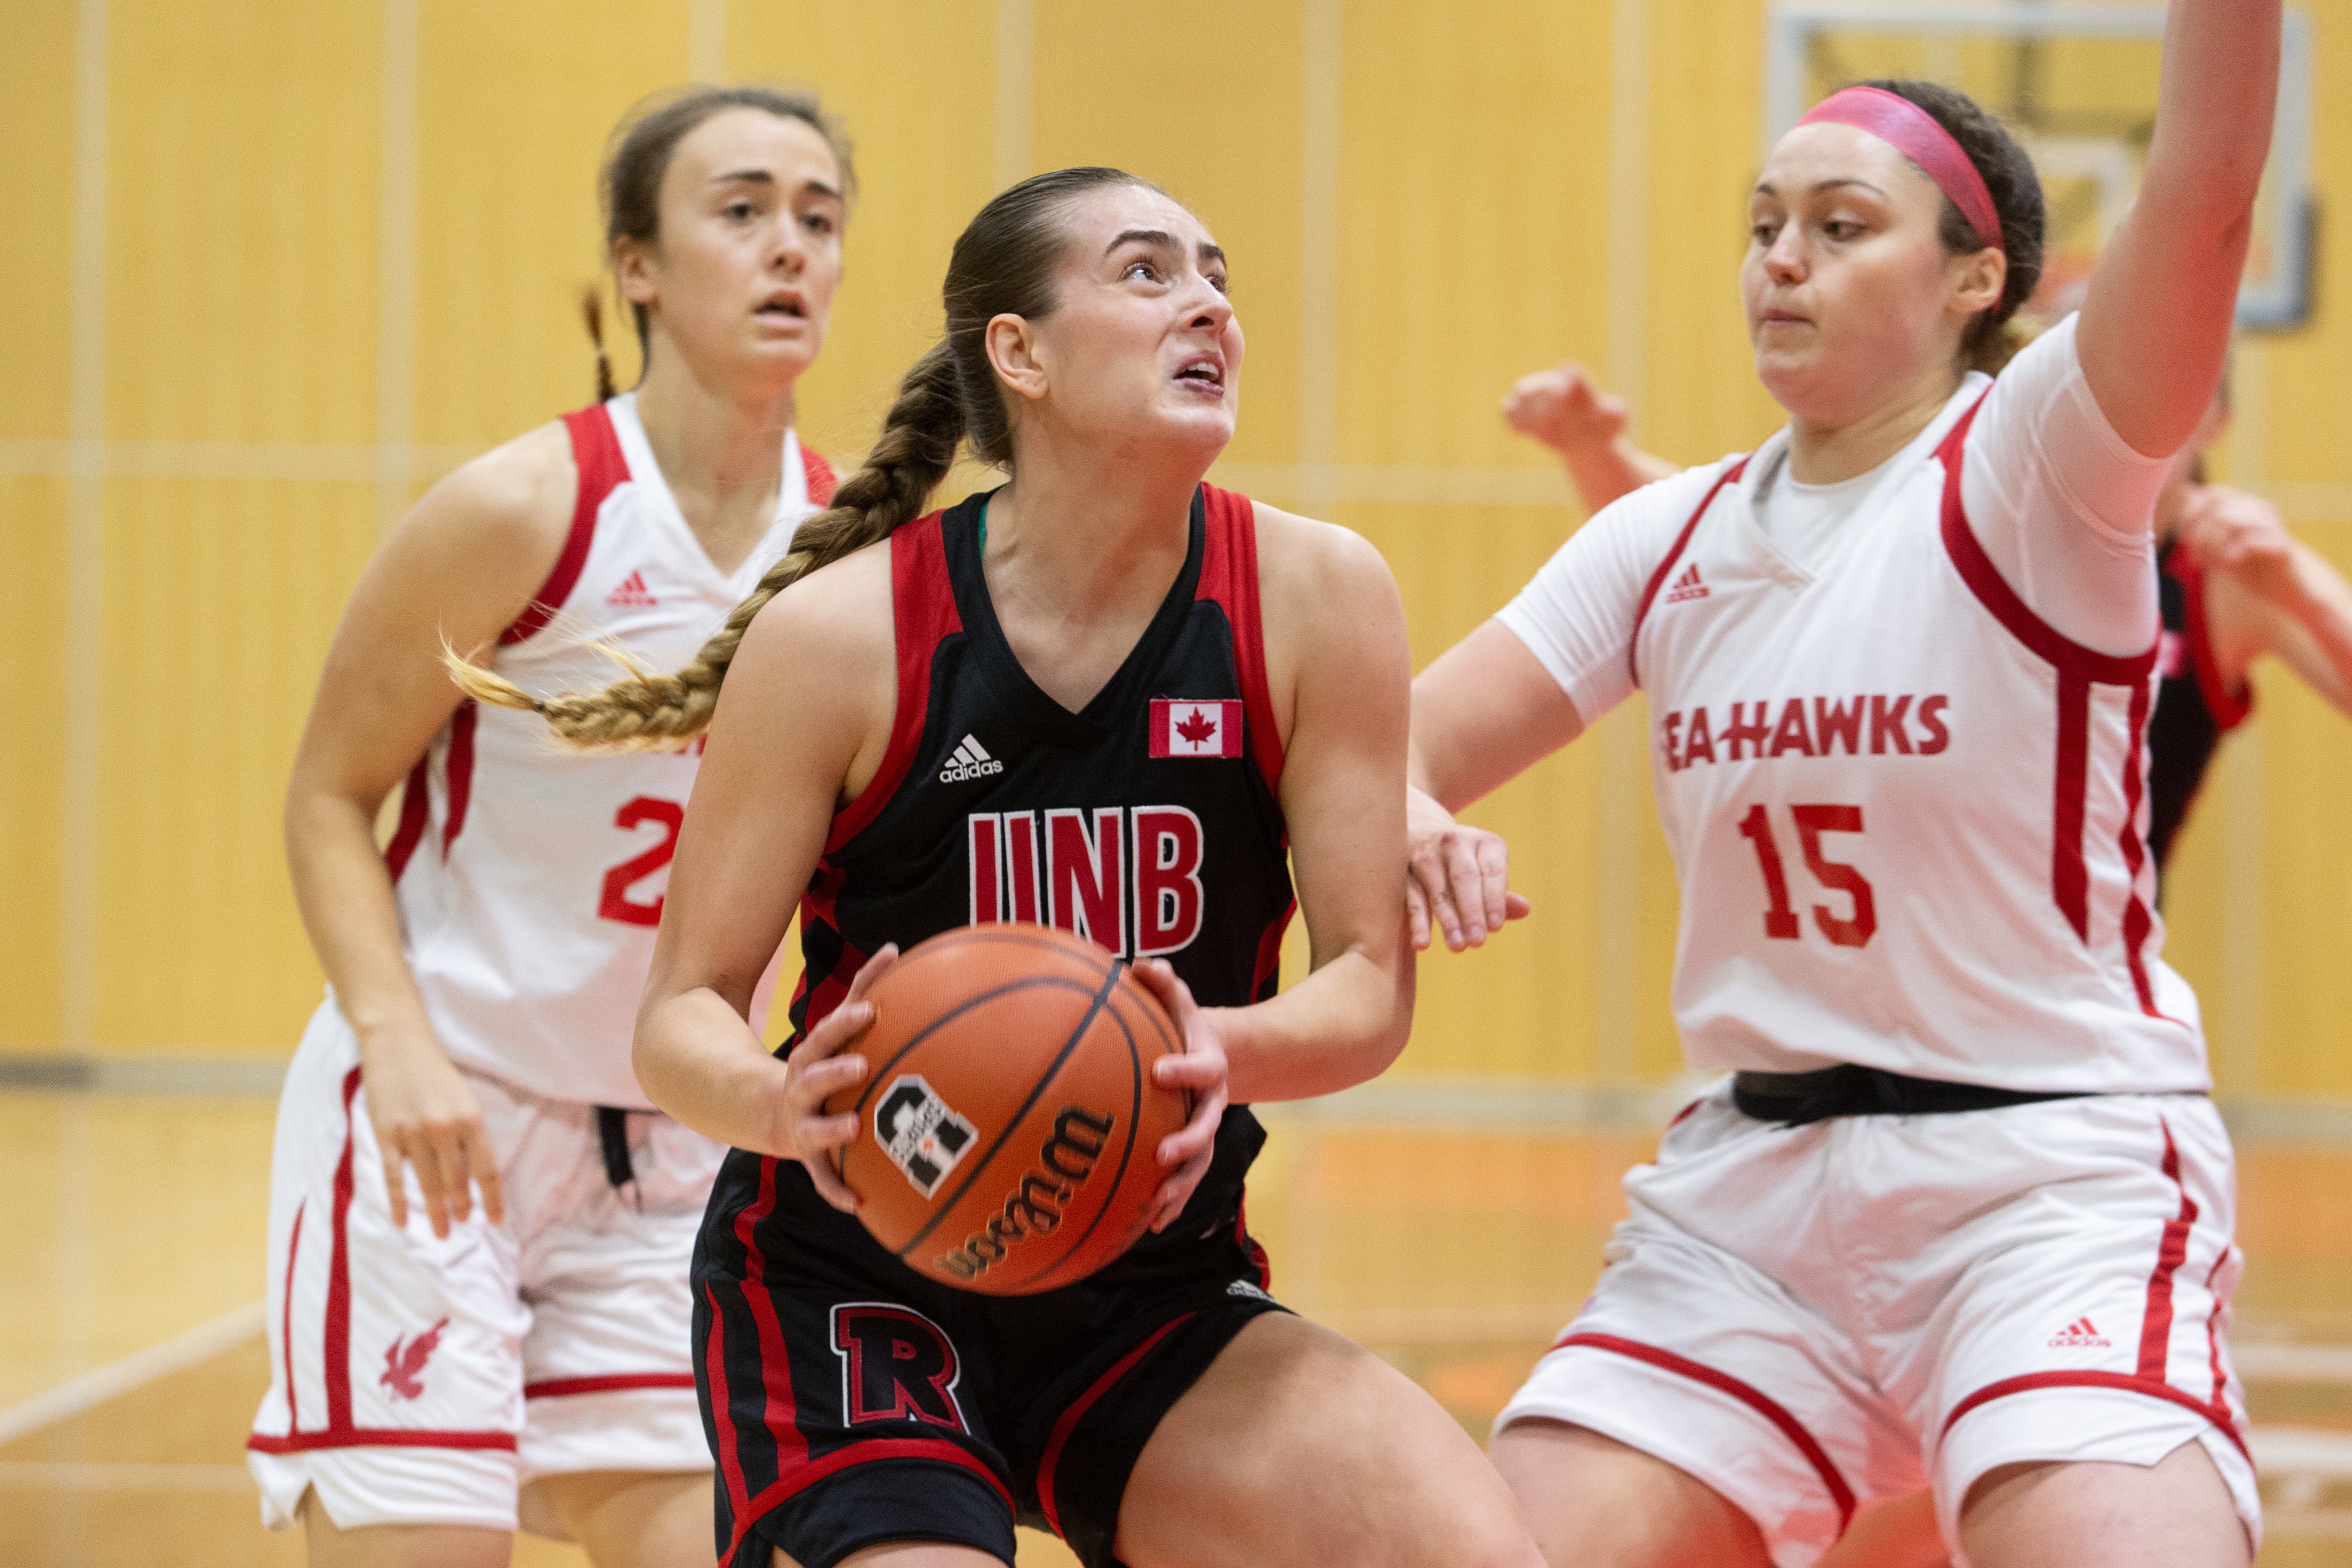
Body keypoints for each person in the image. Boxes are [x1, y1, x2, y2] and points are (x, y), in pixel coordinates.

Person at [456, 165, 1544, 1568]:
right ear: (1016, 354)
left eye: (1215, 273)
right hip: (854, 1285)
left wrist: (1188, 1048)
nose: (1207, 299)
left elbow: (1364, 992)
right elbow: (681, 1012)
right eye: (1147, 272)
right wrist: (791, 1107)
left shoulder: (1316, 594)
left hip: (1144, 1280)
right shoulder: (844, 637)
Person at [1406, 0, 2279, 1559]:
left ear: (1975, 278)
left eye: (1839, 223)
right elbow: (1390, 751)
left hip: (2041, 1178)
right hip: (1747, 1205)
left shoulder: (2036, 463)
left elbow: (2204, 196)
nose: (1779, 259)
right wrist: (1401, 806)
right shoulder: (1660, 535)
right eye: (1763, 225)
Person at [246, 85, 849, 1567]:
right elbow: (328, 790)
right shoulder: (529, 508)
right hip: (445, 1116)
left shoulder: (856, 553)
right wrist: (395, 1043)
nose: (792, 248)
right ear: (637, 265)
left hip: (676, 1146)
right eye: (745, 208)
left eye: (820, 218)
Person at [1502, 366, 2352, 892]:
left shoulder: (2232, 573)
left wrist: (2300, 595)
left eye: (2166, 385)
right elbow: (1723, 547)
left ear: (2215, 416)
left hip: (2082, 988)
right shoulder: (1991, 532)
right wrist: (1591, 454)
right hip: (1907, 954)